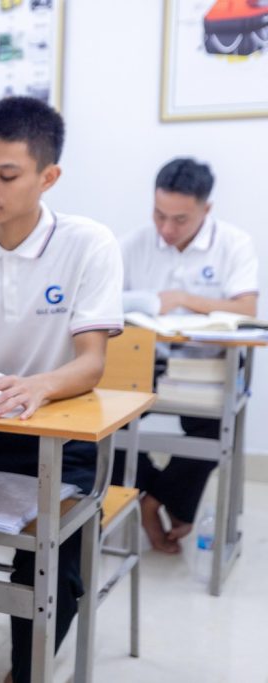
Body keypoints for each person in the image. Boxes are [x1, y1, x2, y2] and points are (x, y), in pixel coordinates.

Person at [0, 96, 123, 683]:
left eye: (6, 175)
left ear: (48, 177)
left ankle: (24, 675)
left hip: (58, 444)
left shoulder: (88, 244)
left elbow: (91, 363)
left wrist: (39, 387)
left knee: (54, 564)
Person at [119, 157, 258, 553]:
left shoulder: (233, 244)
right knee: (105, 424)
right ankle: (152, 495)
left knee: (216, 429)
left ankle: (155, 502)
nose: (166, 229)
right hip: (147, 360)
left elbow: (247, 309)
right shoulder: (133, 245)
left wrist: (183, 298)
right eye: (159, 215)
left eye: (179, 220)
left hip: (210, 364)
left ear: (206, 209)